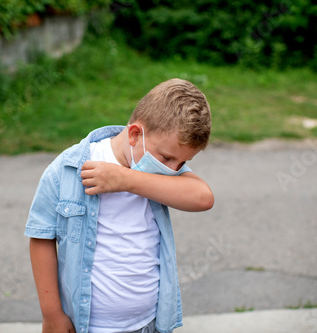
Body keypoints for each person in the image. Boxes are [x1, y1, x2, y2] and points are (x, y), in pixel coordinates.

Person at [25, 78, 214, 333]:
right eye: (168, 158)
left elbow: (203, 197)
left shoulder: (155, 172)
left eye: (182, 163)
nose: (173, 170)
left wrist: (124, 179)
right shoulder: (68, 168)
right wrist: (52, 315)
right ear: (136, 134)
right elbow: (41, 236)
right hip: (88, 326)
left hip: (149, 324)